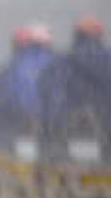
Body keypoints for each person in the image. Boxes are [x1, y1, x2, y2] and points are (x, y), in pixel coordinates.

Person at [0, 23, 56, 156]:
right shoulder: (60, 63)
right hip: (52, 124)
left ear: (17, 45)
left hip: (16, 123)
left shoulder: (10, 69)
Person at [40, 16, 111, 160]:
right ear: (99, 36)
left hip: (67, 121)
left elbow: (46, 90)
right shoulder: (107, 58)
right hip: (104, 121)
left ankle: (57, 161)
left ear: (77, 36)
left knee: (53, 145)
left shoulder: (60, 60)